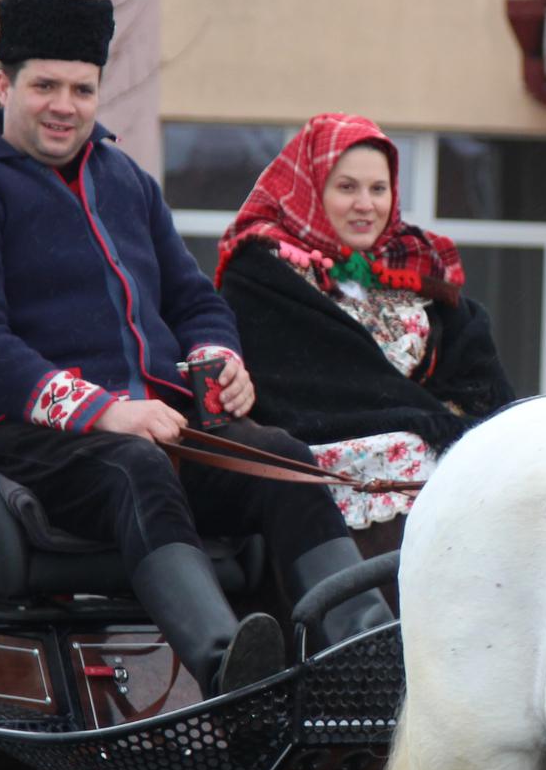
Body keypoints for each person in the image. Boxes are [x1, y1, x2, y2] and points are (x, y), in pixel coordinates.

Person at [0, 0, 388, 695]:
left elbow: (192, 298)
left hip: (156, 425)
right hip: (28, 442)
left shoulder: (124, 179)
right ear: (2, 83)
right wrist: (106, 411)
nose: (65, 107)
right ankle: (228, 670)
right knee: (133, 468)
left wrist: (219, 357)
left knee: (283, 458)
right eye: (44, 86)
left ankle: (365, 661)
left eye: (82, 90)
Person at [213, 114, 518, 536]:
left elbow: (475, 371)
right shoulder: (264, 272)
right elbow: (301, 387)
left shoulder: (411, 262)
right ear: (310, 190)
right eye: (346, 187)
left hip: (425, 440)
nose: (365, 204)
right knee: (421, 458)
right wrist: (426, 420)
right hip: (316, 458)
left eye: (378, 189)